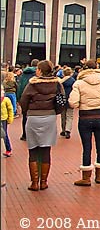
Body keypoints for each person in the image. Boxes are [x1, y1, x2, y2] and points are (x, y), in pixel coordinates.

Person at [69, 60, 100, 186]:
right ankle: (99, 175)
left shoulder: (79, 83)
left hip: (85, 117)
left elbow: (73, 102)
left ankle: (86, 177)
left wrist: (81, 104)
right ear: (97, 68)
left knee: (87, 147)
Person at [19, 60, 65, 191]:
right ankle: (44, 181)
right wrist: (55, 111)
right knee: (46, 150)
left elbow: (24, 99)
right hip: (49, 117)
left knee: (33, 150)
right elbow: (62, 100)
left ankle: (34, 182)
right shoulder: (56, 84)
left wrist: (27, 111)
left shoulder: (32, 84)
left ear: (40, 70)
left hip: (33, 117)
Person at [16, 59, 39, 141]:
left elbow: (20, 86)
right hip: (34, 98)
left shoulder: (23, 74)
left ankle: (24, 134)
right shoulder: (37, 74)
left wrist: (18, 98)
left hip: (24, 98)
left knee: (25, 116)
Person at [59, 67, 76, 139]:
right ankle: (68, 130)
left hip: (62, 99)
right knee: (70, 116)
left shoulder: (61, 82)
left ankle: (63, 129)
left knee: (63, 116)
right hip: (70, 99)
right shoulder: (73, 81)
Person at [1, 87, 14, 157]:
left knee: (4, 134)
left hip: (3, 119)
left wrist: (10, 118)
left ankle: (8, 149)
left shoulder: (6, 100)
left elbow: (10, 109)